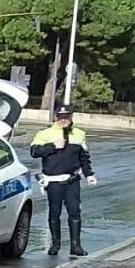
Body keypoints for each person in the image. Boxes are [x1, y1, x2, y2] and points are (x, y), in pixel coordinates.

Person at [29, 103, 97, 256]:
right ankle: (55, 244)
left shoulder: (79, 134)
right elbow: (34, 151)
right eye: (60, 117)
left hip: (72, 179)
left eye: (66, 117)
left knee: (74, 211)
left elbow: (84, 157)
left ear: (72, 117)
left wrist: (89, 175)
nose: (63, 120)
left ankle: (76, 246)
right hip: (53, 180)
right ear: (55, 117)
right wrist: (52, 146)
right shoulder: (45, 133)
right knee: (55, 212)